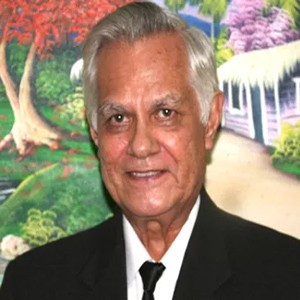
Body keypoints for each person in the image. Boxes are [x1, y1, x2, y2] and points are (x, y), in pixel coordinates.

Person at [1, 2, 300, 299]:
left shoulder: (286, 278)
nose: (141, 145)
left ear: (209, 120)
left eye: (165, 113)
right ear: (95, 132)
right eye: (118, 118)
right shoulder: (31, 284)